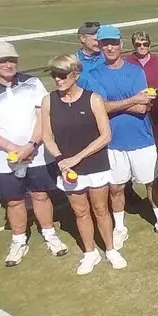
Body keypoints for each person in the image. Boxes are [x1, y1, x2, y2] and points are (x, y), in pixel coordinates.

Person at [0, 42, 69, 267]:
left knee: (41, 195)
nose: (8, 64)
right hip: (3, 159)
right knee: (13, 201)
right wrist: (13, 149)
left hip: (37, 153)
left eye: (12, 59)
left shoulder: (31, 82)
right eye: (3, 61)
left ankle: (50, 234)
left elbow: (43, 114)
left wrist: (31, 145)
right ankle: (18, 240)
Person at [80, 24, 158, 248]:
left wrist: (114, 104)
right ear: (100, 45)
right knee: (116, 188)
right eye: (105, 43)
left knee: (151, 183)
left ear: (120, 45)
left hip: (142, 139)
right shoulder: (93, 75)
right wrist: (130, 100)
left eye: (113, 43)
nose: (110, 47)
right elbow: (102, 108)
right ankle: (120, 227)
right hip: (113, 142)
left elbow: (143, 107)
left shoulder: (136, 71)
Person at [40, 53, 123, 275]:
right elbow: (47, 136)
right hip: (67, 168)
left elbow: (105, 136)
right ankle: (89, 252)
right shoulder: (49, 101)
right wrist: (61, 160)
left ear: (75, 75)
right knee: (80, 211)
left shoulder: (93, 99)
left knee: (100, 209)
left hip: (95, 164)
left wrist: (77, 158)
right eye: (54, 75)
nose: (57, 80)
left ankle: (110, 249)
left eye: (62, 75)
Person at [126, 31, 158, 166]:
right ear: (134, 45)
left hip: (156, 107)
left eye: (145, 44)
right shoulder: (127, 62)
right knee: (136, 137)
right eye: (138, 44)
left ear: (150, 45)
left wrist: (157, 91)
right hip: (135, 108)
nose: (142, 47)